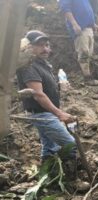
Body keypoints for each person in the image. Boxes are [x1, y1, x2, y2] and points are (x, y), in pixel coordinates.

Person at [16, 30, 77, 180]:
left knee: (50, 148)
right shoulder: (29, 66)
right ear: (29, 47)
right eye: (40, 45)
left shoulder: (42, 64)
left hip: (46, 113)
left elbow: (46, 89)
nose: (45, 49)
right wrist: (59, 113)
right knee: (70, 144)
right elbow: (38, 94)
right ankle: (70, 178)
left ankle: (48, 176)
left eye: (47, 45)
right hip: (41, 114)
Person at [59, 0, 98, 81]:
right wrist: (74, 24)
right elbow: (66, 9)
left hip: (88, 27)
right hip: (80, 28)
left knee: (89, 53)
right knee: (84, 52)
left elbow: (87, 9)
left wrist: (93, 23)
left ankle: (88, 74)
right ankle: (87, 78)